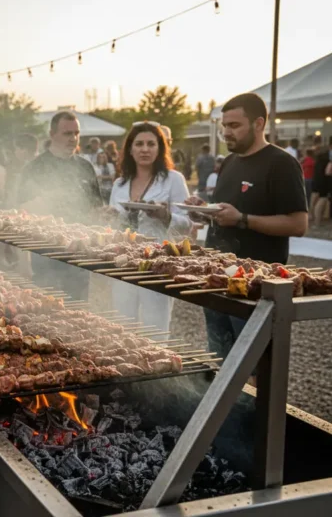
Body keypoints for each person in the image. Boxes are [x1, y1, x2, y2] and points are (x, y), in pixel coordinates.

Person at [188, 93, 307, 359]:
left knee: (253, 367)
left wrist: (243, 219)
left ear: (259, 124)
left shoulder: (282, 164)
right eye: (224, 126)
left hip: (256, 288)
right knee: (220, 361)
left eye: (234, 126)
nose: (226, 132)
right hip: (217, 280)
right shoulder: (229, 162)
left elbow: (299, 224)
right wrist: (203, 211)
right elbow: (225, 213)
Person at [106, 122, 191, 333]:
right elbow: (115, 226)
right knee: (123, 325)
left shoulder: (173, 180)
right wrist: (109, 217)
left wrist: (165, 216)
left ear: (160, 148)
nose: (145, 149)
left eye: (151, 144)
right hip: (123, 262)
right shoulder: (119, 184)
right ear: (130, 149)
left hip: (157, 263)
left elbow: (188, 224)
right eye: (140, 144)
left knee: (156, 327)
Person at [20, 111, 103, 300]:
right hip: (44, 255)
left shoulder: (85, 167)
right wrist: (24, 262)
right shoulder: (35, 168)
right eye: (67, 133)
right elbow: (22, 216)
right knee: (46, 315)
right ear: (52, 135)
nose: (73, 138)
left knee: (77, 315)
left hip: (79, 256)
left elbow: (95, 209)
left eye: (76, 133)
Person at [311, 137, 332, 225]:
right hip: (325, 183)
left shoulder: (322, 155)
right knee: (322, 201)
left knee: (319, 201)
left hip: (321, 181)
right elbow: (327, 172)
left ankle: (316, 221)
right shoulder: (325, 157)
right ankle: (317, 221)